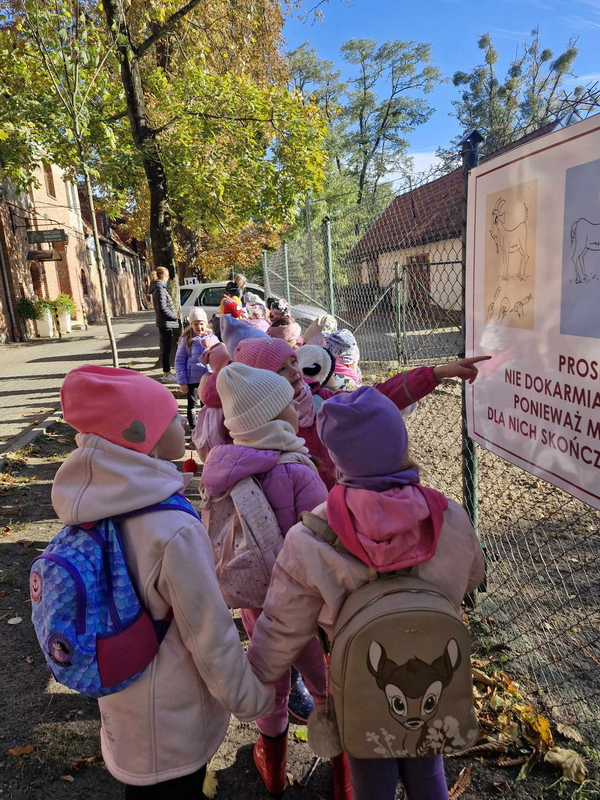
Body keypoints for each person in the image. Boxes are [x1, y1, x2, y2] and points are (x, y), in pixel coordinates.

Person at [248, 386, 485, 800]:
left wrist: (254, 678)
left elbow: (283, 624)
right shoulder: (450, 517)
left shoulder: (311, 537)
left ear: (336, 459)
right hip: (432, 669)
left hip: (359, 682)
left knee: (370, 778)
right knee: (428, 768)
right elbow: (472, 576)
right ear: (401, 442)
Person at [51, 365, 274, 797]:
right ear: (139, 434)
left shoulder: (89, 502)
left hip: (123, 707)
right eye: (170, 416)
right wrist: (251, 699)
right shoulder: (172, 529)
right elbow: (208, 632)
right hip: (174, 721)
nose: (183, 423)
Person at [200, 364, 346, 797]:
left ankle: (274, 769)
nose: (296, 409)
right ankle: (345, 778)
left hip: (255, 602)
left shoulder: (222, 469)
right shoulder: (297, 470)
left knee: (270, 685)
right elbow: (327, 541)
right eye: (287, 405)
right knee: (326, 688)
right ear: (269, 417)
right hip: (307, 609)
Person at [201, 335, 489, 490]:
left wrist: (434, 374)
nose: (295, 372)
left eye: (293, 362)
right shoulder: (250, 428)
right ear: (261, 381)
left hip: (339, 503)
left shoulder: (322, 401)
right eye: (280, 369)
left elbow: (376, 398)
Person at [174, 308, 219, 428]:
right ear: (191, 325)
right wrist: (182, 382)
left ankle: (206, 426)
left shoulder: (213, 338)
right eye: (195, 324)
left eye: (201, 324)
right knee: (192, 404)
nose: (199, 327)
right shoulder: (187, 340)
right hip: (191, 379)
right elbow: (179, 361)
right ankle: (194, 427)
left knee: (206, 403)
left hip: (208, 378)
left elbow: (219, 355)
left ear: (206, 324)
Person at [149, 267, 179, 383]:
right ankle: (166, 374)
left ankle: (167, 373)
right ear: (163, 276)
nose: (168, 278)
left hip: (165, 322)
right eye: (167, 276)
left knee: (167, 349)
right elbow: (163, 308)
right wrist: (174, 316)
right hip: (166, 323)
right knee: (166, 350)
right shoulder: (160, 289)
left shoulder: (159, 288)